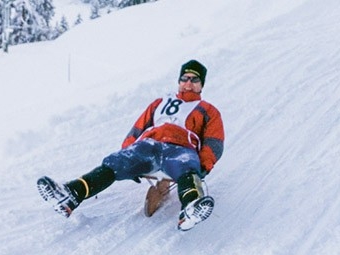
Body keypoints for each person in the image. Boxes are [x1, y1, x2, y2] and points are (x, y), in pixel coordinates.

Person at [37, 59, 225, 231]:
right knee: (115, 162)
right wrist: (127, 150)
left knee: (187, 168)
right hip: (149, 145)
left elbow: (214, 142)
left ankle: (191, 209)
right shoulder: (160, 102)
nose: (189, 83)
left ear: (201, 84)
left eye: (194, 79)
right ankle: (71, 194)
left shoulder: (208, 110)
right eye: (185, 78)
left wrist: (202, 167)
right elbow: (137, 128)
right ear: (179, 81)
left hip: (180, 149)